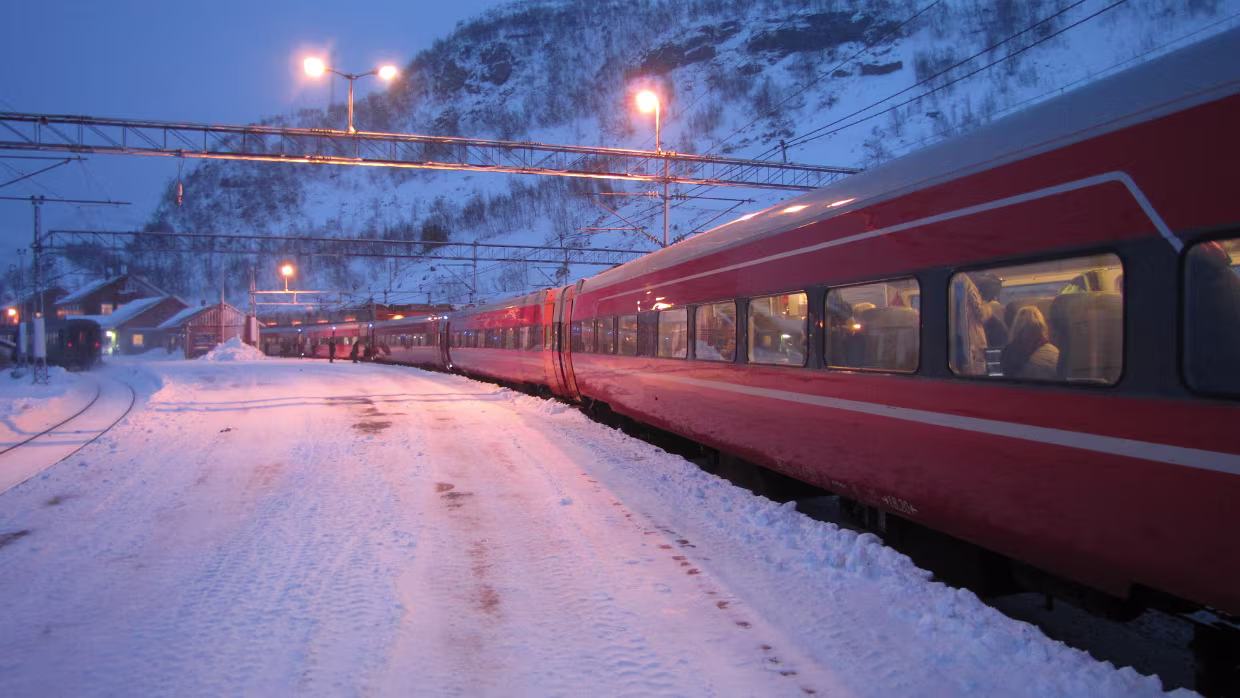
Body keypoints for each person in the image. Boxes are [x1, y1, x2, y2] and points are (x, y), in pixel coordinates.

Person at [1000, 306, 1059, 380]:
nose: (1030, 337)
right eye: (1028, 330)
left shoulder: (1008, 351)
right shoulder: (1051, 351)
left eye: (1033, 330)